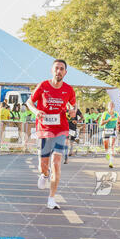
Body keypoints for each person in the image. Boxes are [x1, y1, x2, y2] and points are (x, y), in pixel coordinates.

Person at [26, 59, 76, 210]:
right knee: (44, 163)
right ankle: (44, 174)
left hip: (61, 128)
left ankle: (51, 198)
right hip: (44, 128)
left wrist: (72, 111)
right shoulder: (43, 86)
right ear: (52, 70)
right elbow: (29, 102)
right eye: (56, 68)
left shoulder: (69, 89)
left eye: (62, 69)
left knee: (56, 162)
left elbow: (73, 107)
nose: (59, 71)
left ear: (65, 72)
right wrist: (36, 111)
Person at [100, 101, 119, 168]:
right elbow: (101, 123)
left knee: (112, 146)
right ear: (108, 107)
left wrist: (117, 130)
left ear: (114, 107)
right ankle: (106, 153)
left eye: (112, 106)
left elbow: (117, 122)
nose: (111, 107)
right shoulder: (105, 113)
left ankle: (111, 162)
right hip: (106, 130)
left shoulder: (116, 114)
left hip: (113, 130)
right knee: (106, 146)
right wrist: (109, 119)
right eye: (110, 106)